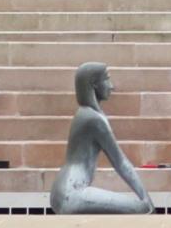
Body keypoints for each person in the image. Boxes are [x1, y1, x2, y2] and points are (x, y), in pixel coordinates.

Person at [51, 61, 154, 213]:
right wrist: (146, 199)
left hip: (63, 190)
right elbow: (120, 162)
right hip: (71, 194)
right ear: (94, 84)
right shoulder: (92, 119)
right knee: (141, 209)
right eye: (107, 79)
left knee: (140, 208)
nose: (112, 86)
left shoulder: (87, 114)